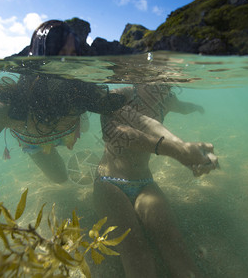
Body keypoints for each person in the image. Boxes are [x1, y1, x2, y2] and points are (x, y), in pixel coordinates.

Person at [0, 20, 126, 212]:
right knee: (60, 177)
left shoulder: (82, 96)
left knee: (86, 123)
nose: (63, 71)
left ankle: (81, 123)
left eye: (72, 60)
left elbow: (126, 94)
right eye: (54, 58)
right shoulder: (7, 111)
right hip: (35, 145)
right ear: (33, 64)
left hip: (71, 128)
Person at [93, 83, 218, 278]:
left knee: (175, 246)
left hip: (145, 182)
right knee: (136, 252)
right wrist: (180, 151)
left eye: (168, 82)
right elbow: (117, 134)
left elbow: (181, 107)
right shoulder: (120, 95)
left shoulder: (166, 98)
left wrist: (195, 108)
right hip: (109, 182)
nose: (165, 85)